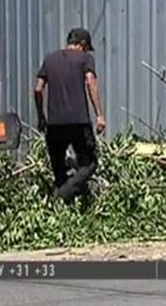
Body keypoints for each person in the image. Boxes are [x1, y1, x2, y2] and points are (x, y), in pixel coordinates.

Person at [33, 27, 106, 203]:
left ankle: (62, 206)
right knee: (89, 163)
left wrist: (41, 117)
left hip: (54, 124)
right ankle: (60, 198)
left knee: (58, 168)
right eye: (87, 47)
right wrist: (100, 115)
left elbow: (37, 89)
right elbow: (91, 82)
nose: (87, 51)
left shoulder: (50, 59)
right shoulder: (85, 58)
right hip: (78, 122)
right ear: (82, 45)